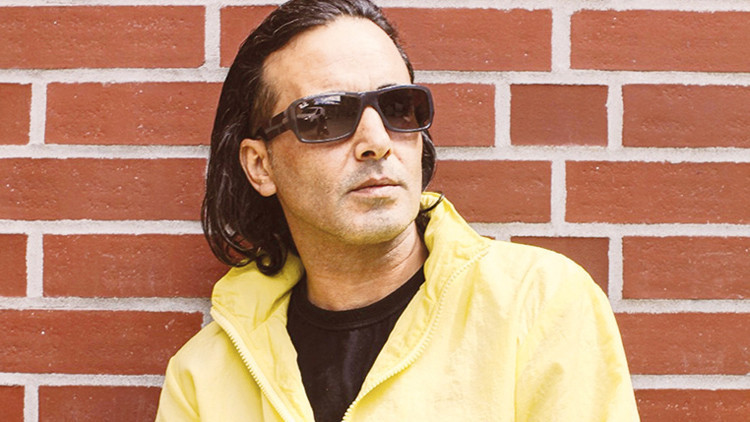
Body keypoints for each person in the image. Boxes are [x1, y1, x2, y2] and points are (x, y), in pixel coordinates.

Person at [156, 0, 640, 420]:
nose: (377, 141)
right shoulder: (204, 377)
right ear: (261, 166)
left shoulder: (537, 303)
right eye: (326, 115)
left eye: (398, 107)